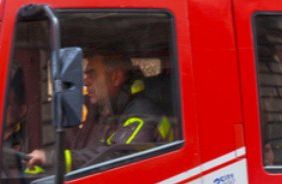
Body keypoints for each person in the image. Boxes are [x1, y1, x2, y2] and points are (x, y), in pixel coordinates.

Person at [26, 51, 173, 173]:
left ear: (116, 77)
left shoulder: (143, 113)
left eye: (92, 75)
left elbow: (118, 156)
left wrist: (53, 159)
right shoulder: (111, 111)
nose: (85, 82)